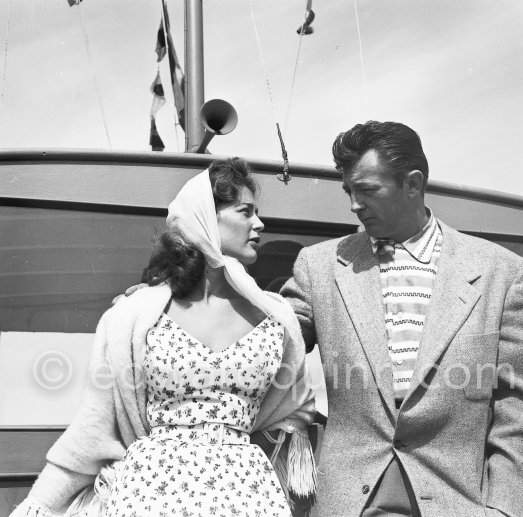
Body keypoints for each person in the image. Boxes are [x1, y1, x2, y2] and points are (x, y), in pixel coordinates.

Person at [12, 158, 316, 517]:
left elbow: (293, 409)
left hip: (248, 495)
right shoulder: (133, 314)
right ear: (204, 218)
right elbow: (93, 427)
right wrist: (38, 507)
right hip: (151, 494)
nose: (259, 223)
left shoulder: (275, 316)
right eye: (245, 212)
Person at [280, 121, 523, 517]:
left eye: (367, 190)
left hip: (459, 505)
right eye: (348, 191)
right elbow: (270, 341)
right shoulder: (319, 266)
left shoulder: (505, 274)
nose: (354, 204)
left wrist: (507, 511)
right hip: (345, 506)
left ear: (413, 183)